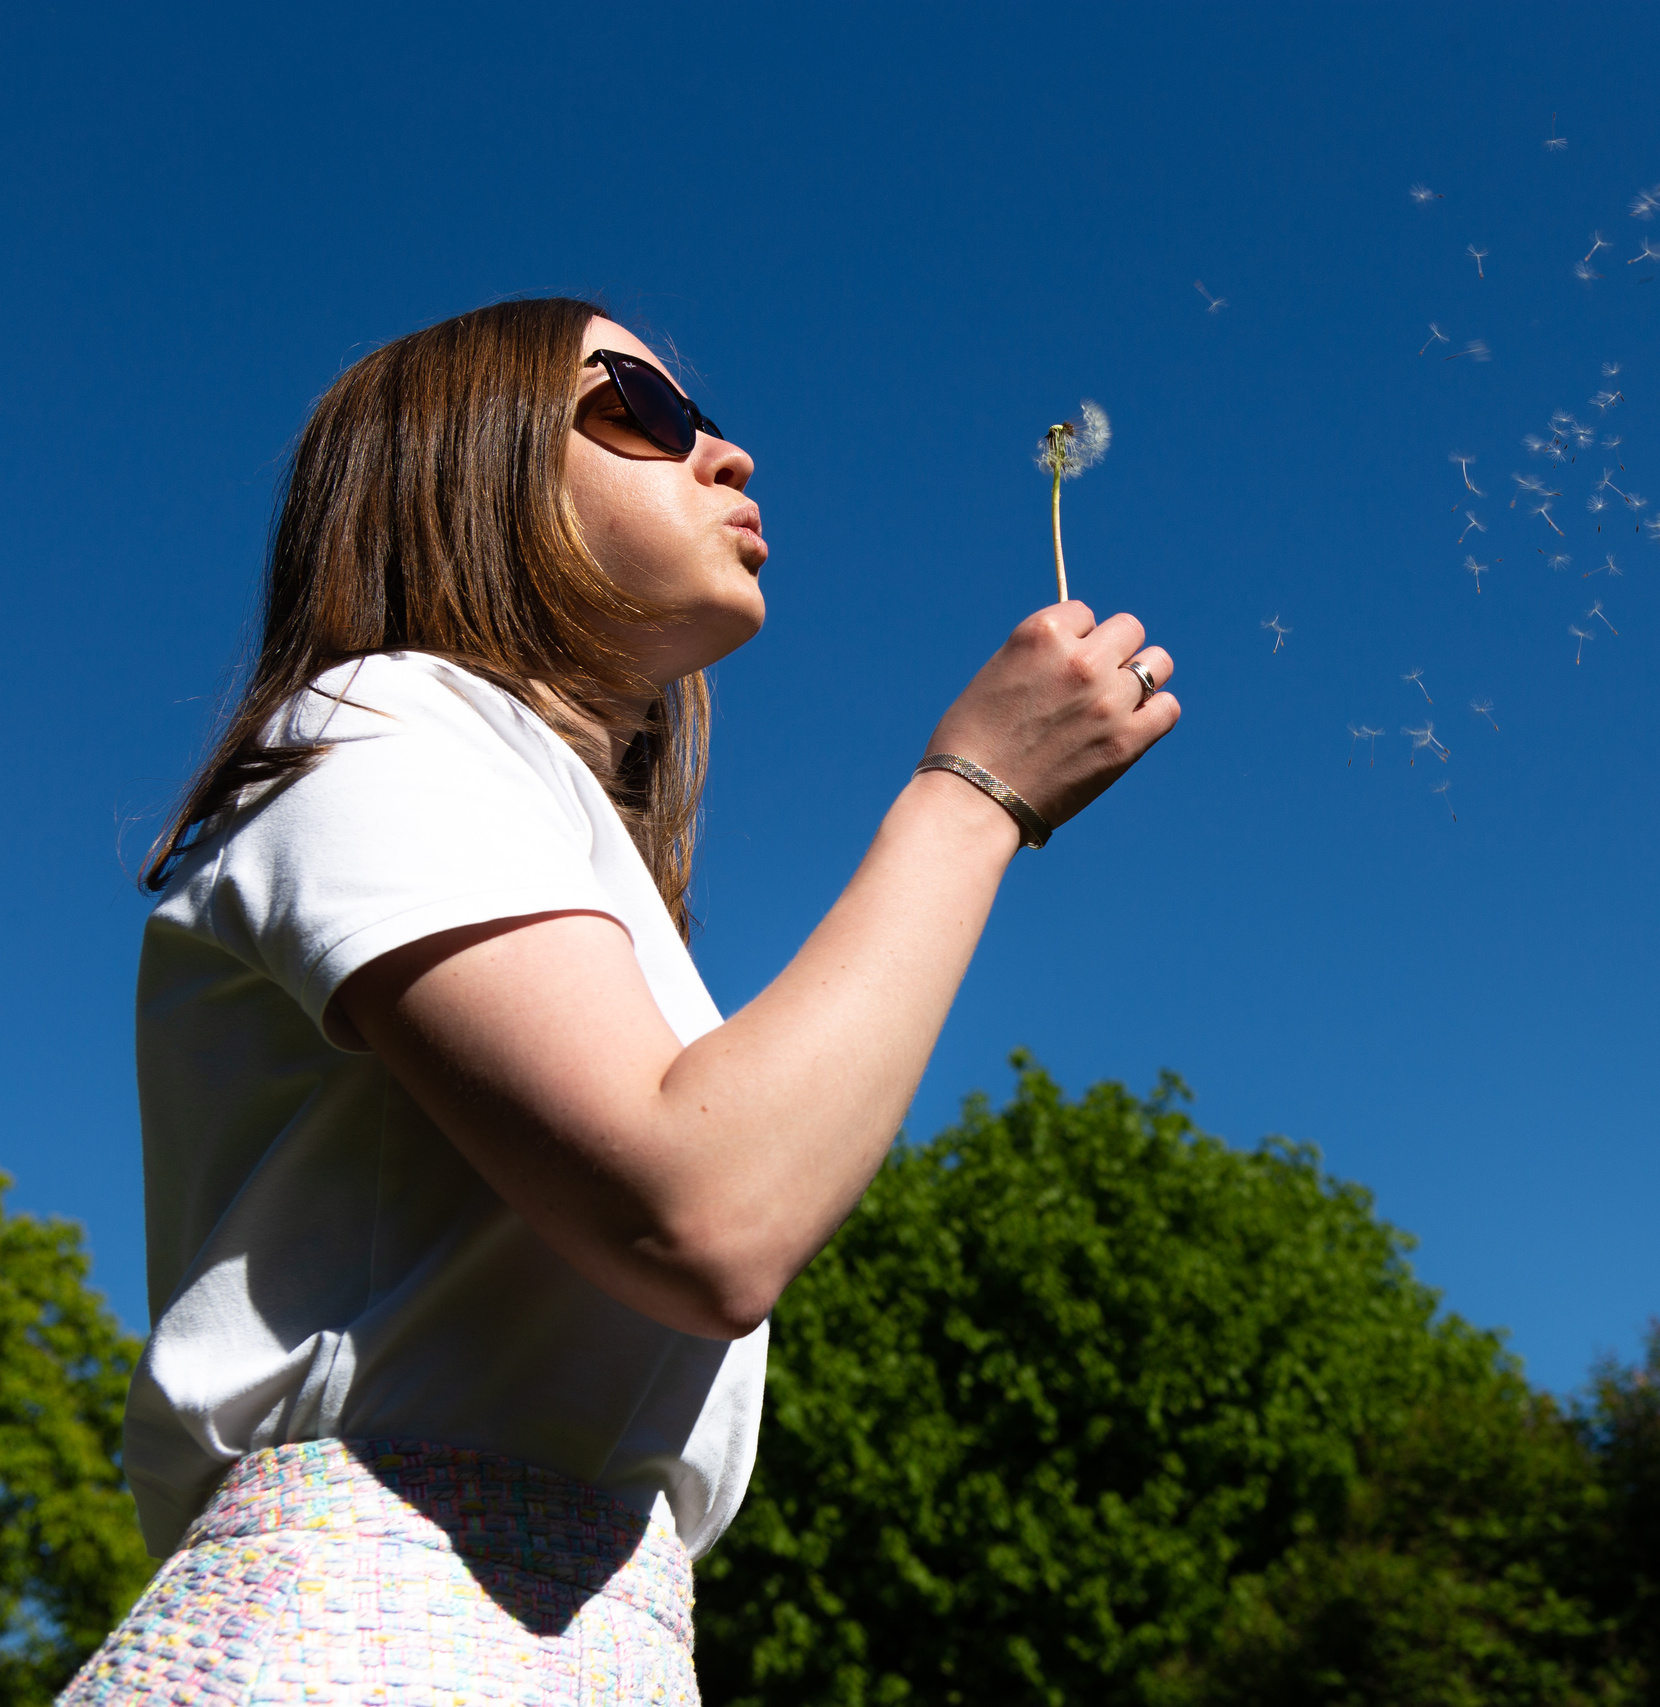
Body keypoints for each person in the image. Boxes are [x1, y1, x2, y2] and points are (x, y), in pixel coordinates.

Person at [64, 298, 1178, 1704]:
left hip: (595, 1636)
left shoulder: (553, 845)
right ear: (468, 463)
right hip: (374, 1627)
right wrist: (973, 799)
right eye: (643, 409)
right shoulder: (377, 722)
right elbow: (704, 1208)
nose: (729, 452)